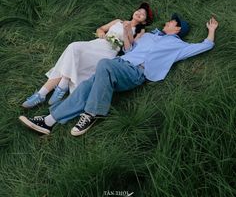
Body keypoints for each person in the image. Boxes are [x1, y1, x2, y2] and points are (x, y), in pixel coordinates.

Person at [19, 15, 218, 136]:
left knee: (104, 65)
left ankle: (93, 113)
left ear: (178, 29)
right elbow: (129, 49)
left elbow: (206, 45)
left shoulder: (178, 46)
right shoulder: (148, 36)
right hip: (120, 64)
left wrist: (211, 31)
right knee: (87, 86)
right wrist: (128, 35)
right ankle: (48, 121)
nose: (167, 22)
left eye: (171, 22)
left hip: (135, 73)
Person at [22, 2, 153, 108]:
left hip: (108, 53)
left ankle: (42, 93)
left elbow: (129, 48)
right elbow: (100, 29)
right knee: (73, 47)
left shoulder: (139, 31)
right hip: (96, 44)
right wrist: (101, 33)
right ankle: (61, 85)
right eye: (139, 10)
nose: (140, 13)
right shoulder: (117, 21)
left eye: (143, 14)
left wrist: (127, 31)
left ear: (144, 21)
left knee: (68, 60)